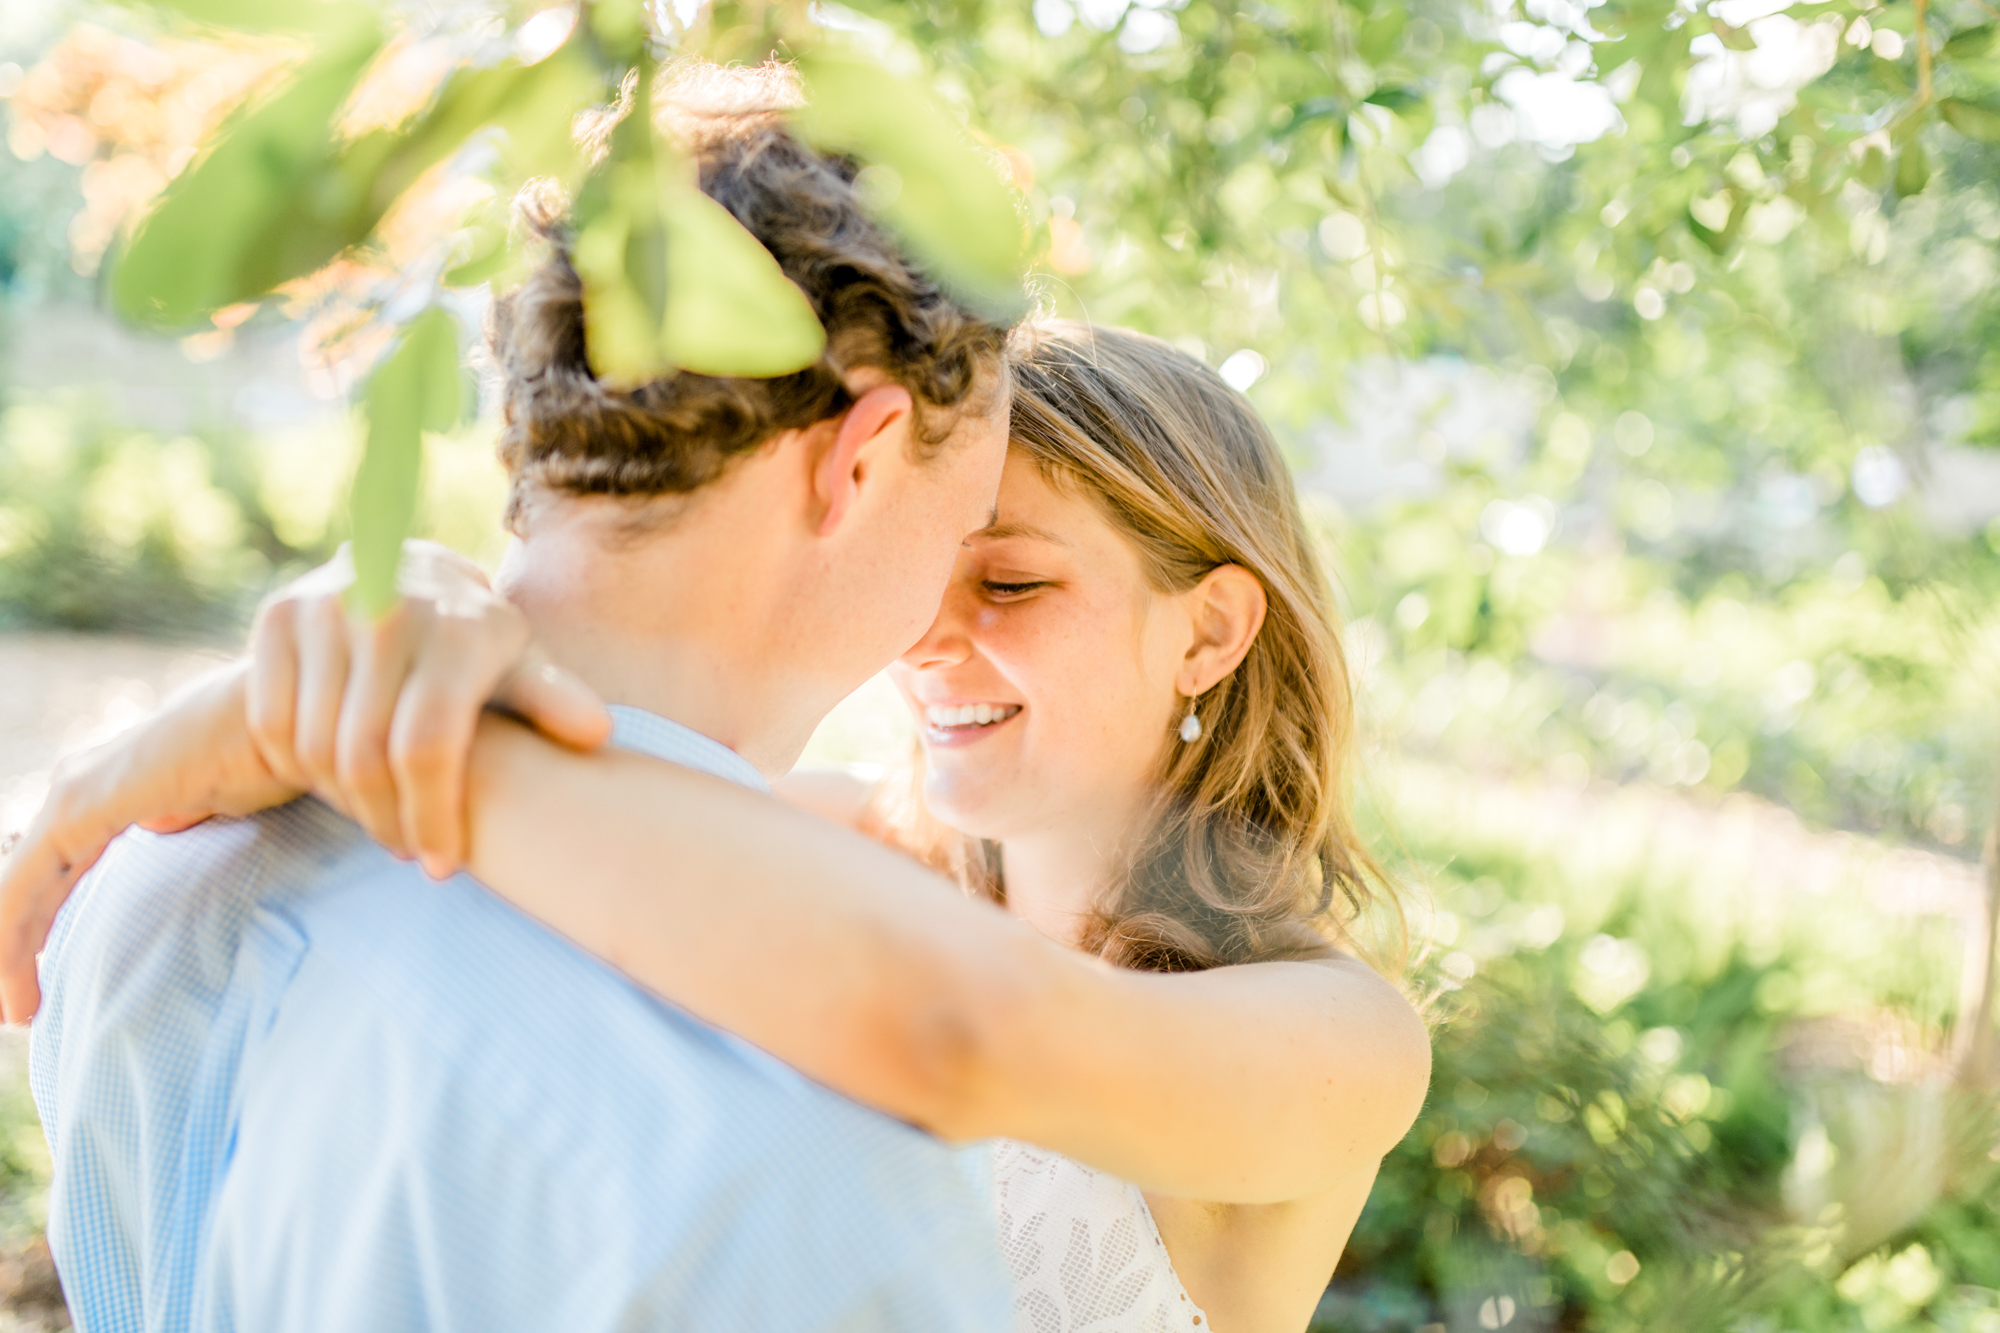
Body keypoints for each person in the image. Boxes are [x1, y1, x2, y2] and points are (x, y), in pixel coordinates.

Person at [2, 323, 1432, 1333]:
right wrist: (409, 614)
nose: (927, 642)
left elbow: (971, 1033)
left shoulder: (1339, 1035)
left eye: (1009, 587)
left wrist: (361, 721)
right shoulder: (813, 838)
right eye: (928, 572)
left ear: (1213, 630)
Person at [0, 62, 1027, 1332]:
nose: (948, 599)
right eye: (967, 524)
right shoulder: (814, 1133)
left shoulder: (152, 864)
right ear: (859, 463)